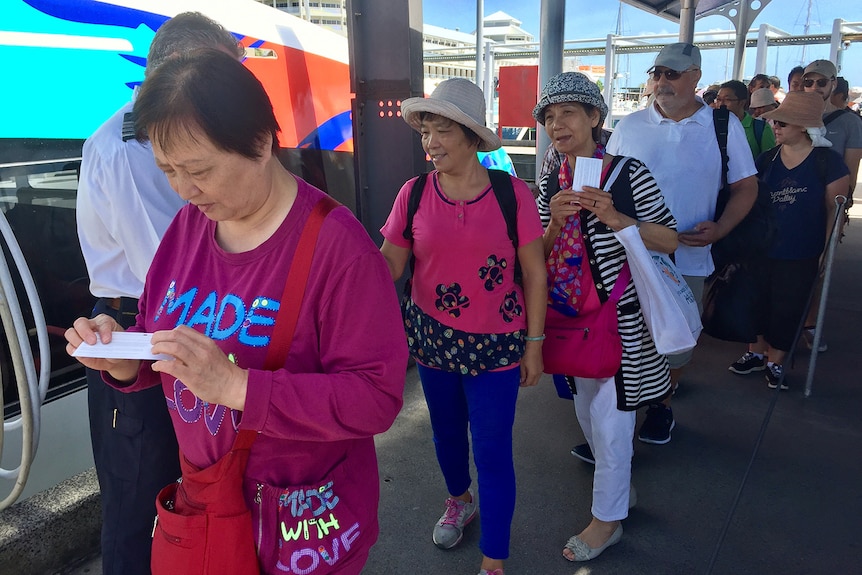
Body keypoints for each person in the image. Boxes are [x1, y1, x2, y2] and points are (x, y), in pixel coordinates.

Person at [66, 49, 407, 575]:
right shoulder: (187, 228)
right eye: (168, 170)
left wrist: (237, 388)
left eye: (198, 170)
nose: (183, 189)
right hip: (208, 504)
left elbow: (376, 399)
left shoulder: (339, 250)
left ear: (262, 142)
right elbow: (164, 334)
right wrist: (126, 357)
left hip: (303, 521)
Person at [75, 13, 244, 574]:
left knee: (177, 500)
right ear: (179, 73)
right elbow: (170, 278)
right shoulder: (133, 147)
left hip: (165, 333)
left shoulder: (150, 137)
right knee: (138, 506)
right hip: (139, 337)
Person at [379, 78, 546, 575]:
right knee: (447, 437)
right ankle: (459, 500)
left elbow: (535, 272)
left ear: (472, 136)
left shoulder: (512, 194)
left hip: (498, 344)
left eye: (442, 130)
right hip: (432, 340)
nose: (430, 142)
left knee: (492, 449)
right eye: (425, 131)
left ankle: (493, 558)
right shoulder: (411, 194)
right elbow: (389, 264)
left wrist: (534, 345)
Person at [533, 72, 677, 562]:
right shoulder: (553, 176)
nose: (557, 125)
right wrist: (553, 222)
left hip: (622, 319)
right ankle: (620, 494)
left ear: (596, 117)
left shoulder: (629, 172)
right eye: (549, 117)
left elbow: (670, 239)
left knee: (613, 421)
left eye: (568, 113)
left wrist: (618, 219)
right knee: (587, 413)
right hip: (571, 319)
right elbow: (537, 256)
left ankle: (606, 521)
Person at [607, 43, 758, 445]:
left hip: (687, 257)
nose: (661, 81)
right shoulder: (629, 126)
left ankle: (662, 405)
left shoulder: (722, 127)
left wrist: (722, 228)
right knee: (624, 340)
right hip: (627, 255)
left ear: (695, 76)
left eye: (671, 74)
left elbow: (746, 187)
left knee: (677, 341)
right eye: (656, 73)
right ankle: (617, 421)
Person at [727, 91, 849, 389]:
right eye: (775, 121)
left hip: (801, 251)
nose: (775, 126)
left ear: (805, 127)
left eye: (783, 122)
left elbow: (835, 210)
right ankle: (754, 353)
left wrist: (826, 251)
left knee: (788, 306)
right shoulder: (767, 159)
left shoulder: (828, 162)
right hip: (761, 248)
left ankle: (776, 360)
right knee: (755, 302)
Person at [801, 59, 862, 350]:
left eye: (821, 82)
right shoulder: (796, 114)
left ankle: (810, 323)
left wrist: (840, 215)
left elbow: (849, 173)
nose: (813, 88)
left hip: (827, 205)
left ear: (832, 85)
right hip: (795, 202)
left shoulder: (850, 122)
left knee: (819, 268)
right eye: (808, 82)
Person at [717, 80, 776, 159]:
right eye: (718, 99)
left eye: (727, 100)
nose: (721, 104)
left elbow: (768, 161)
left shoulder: (761, 128)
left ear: (742, 102)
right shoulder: (712, 126)